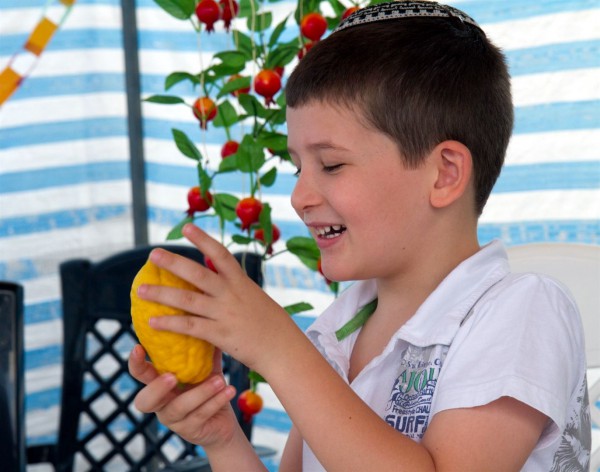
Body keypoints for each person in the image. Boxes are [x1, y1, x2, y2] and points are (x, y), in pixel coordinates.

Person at [128, 1, 591, 470]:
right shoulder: (339, 330)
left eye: (331, 164)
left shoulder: (525, 310)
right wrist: (223, 437)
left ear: (444, 174)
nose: (298, 195)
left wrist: (278, 348)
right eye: (297, 167)